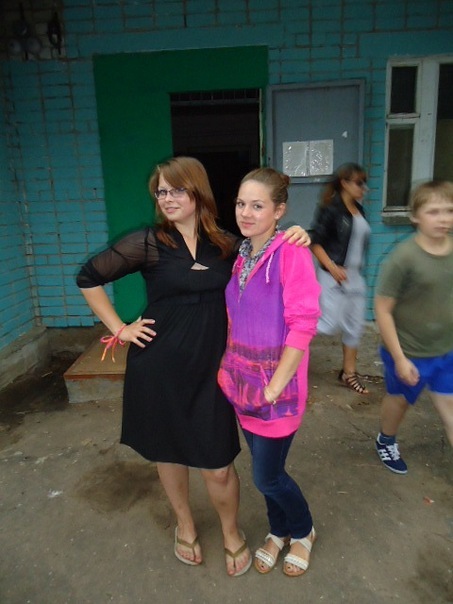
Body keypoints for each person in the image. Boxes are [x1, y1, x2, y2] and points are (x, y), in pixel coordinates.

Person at [76, 156, 310, 577]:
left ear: (198, 192)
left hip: (215, 373)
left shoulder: (229, 245)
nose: (167, 198)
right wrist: (120, 329)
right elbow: (89, 276)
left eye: (177, 190)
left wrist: (298, 233)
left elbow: (270, 252)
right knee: (168, 455)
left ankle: (231, 531)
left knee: (218, 465)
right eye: (161, 192)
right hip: (159, 369)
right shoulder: (148, 242)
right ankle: (184, 524)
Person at [218, 168, 321, 577]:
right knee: (266, 471)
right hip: (243, 385)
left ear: (279, 211)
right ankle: (278, 531)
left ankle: (304, 530)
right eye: (241, 203)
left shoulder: (292, 253)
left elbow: (304, 324)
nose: (246, 213)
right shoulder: (240, 254)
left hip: (277, 391)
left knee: (267, 476)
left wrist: (276, 386)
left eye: (257, 206)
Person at [374, 180, 453, 474]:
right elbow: (382, 310)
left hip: (446, 351)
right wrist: (399, 358)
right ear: (415, 216)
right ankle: (386, 439)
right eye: (433, 211)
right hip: (408, 352)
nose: (443, 219)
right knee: (399, 402)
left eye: (449, 211)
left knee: (450, 409)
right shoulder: (403, 258)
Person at [309, 162, 371, 394]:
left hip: (355, 276)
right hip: (333, 276)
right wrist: (332, 268)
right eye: (359, 183)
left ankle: (349, 373)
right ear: (344, 183)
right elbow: (315, 242)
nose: (363, 188)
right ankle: (288, 342)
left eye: (364, 183)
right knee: (327, 324)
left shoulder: (360, 211)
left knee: (355, 326)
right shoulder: (331, 210)